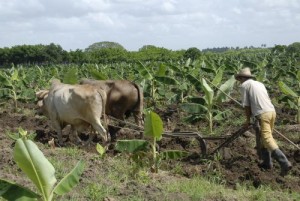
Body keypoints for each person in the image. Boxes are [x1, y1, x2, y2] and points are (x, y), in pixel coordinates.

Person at [235, 67, 292, 176]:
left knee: (266, 138)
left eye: (239, 79)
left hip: (263, 114)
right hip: (271, 111)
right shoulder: (259, 84)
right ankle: (267, 163)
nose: (239, 81)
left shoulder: (244, 86)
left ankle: (284, 162)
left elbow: (246, 106)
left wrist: (247, 120)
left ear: (242, 78)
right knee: (263, 138)